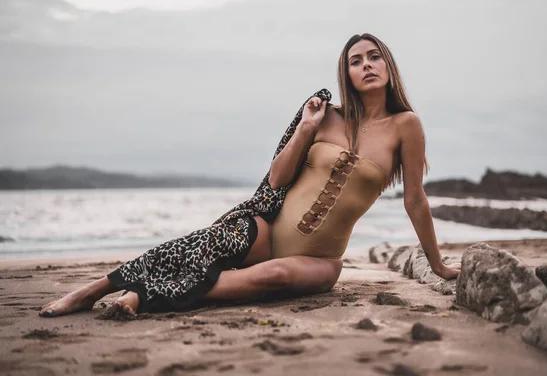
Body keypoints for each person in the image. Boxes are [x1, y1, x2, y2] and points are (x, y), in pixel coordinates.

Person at [39, 33, 460, 318]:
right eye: (356, 61)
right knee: (196, 246)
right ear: (345, 74)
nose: (366, 65)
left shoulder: (406, 126)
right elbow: (277, 179)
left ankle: (143, 298)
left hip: (320, 260)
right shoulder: (322, 114)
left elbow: (415, 200)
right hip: (268, 229)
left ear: (388, 65)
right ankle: (94, 290)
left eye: (374, 57)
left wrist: (437, 264)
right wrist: (306, 129)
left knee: (272, 276)